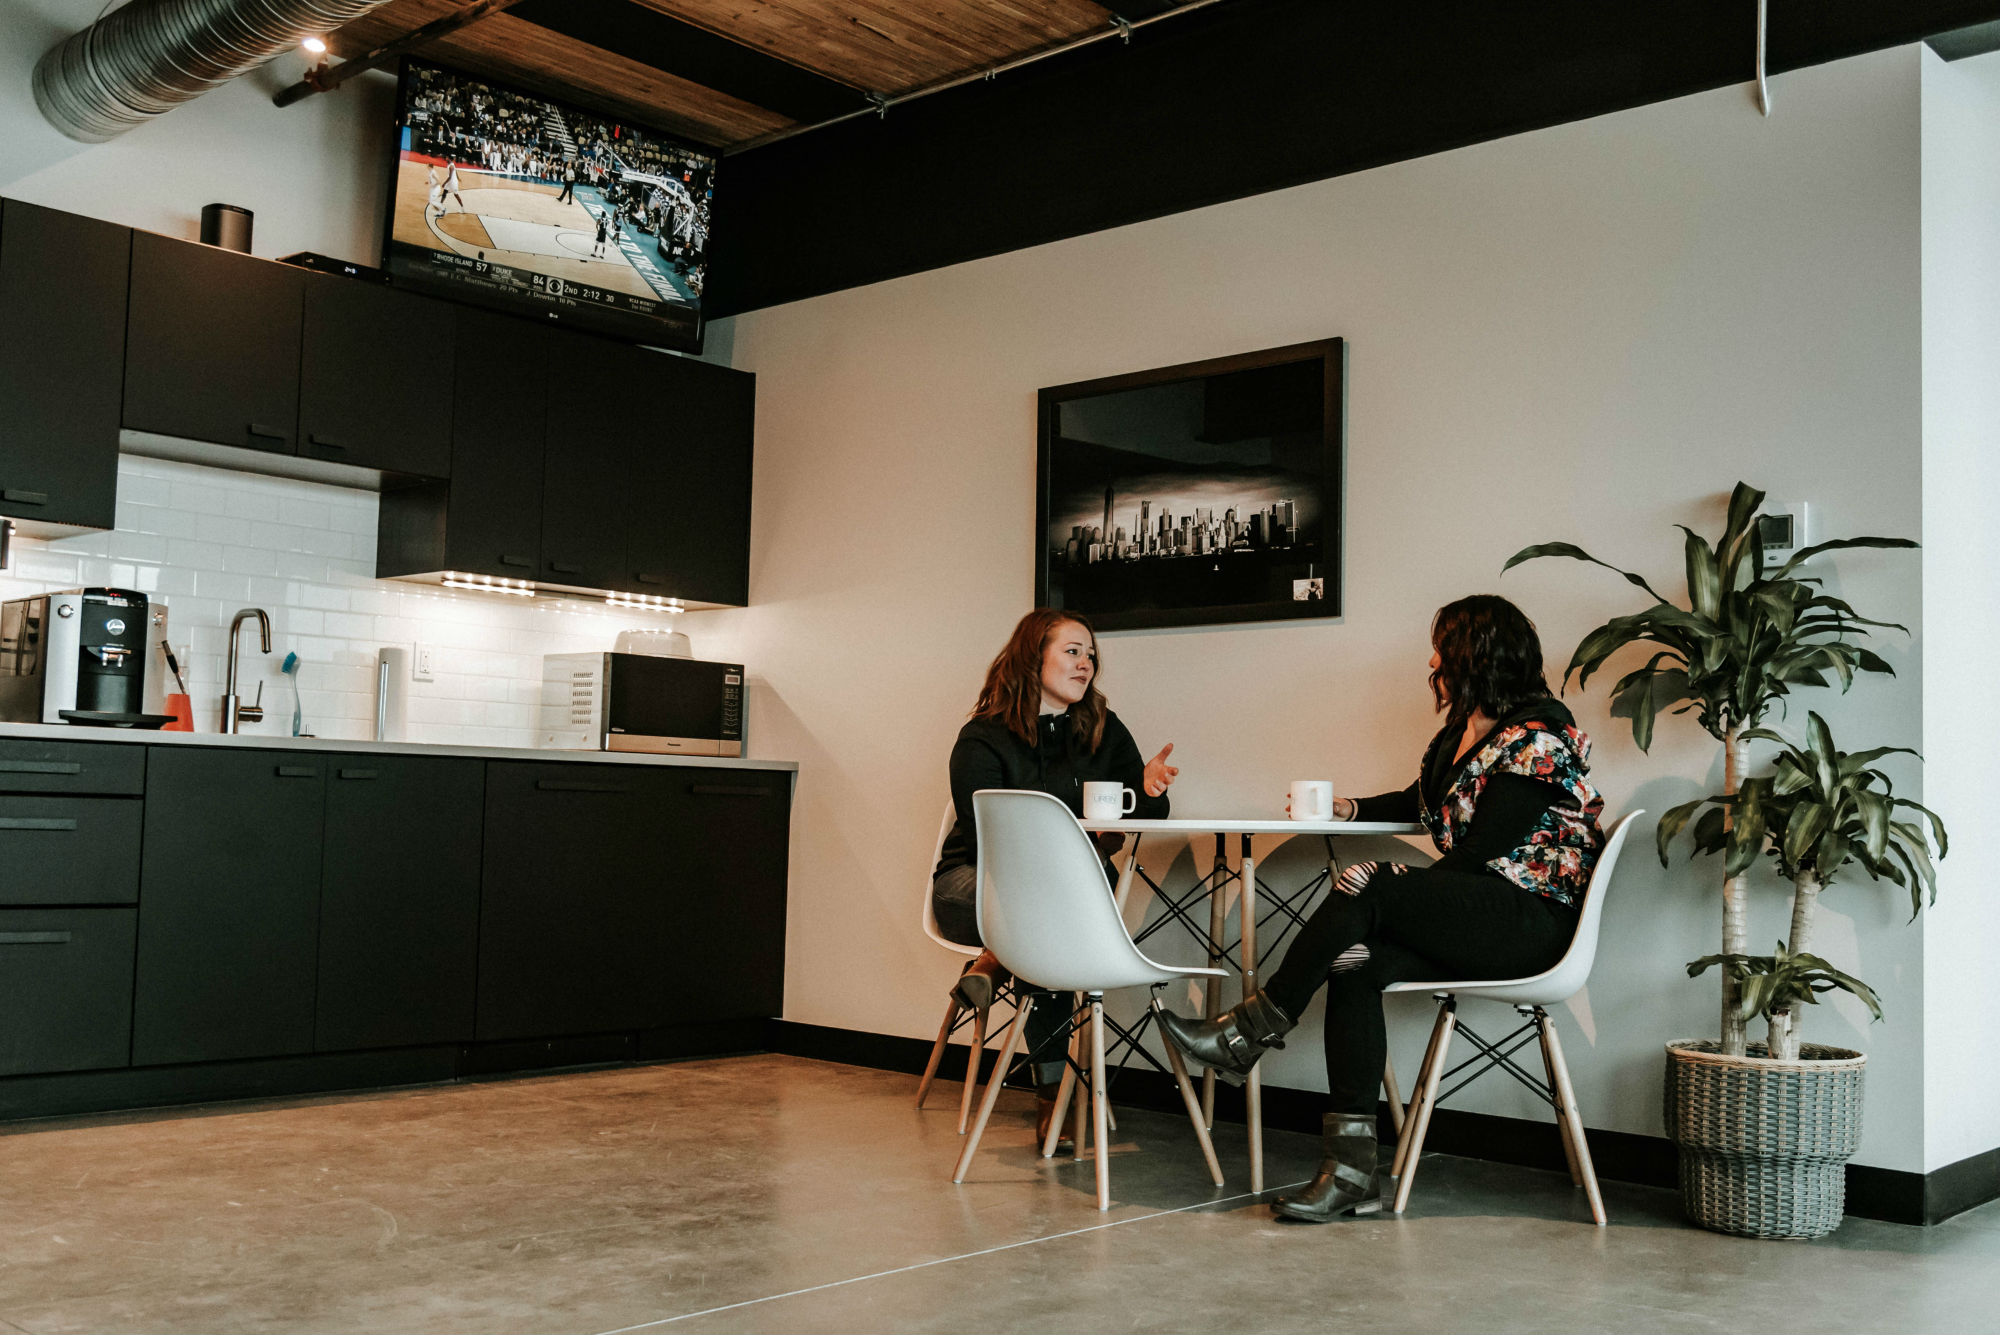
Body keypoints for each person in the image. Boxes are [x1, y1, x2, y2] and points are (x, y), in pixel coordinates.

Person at [1158, 594, 1604, 1222]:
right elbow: (1423, 803)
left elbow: (1476, 855)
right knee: (1354, 961)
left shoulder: (1540, 737)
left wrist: (1391, 900)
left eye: (1442, 648)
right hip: (1478, 913)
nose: (1432, 661)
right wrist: (1352, 810)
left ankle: (1248, 1032)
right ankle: (1349, 1175)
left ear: (1477, 654)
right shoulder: (1463, 732)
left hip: (1529, 921)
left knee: (1369, 883)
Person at [932, 608, 1180, 1147]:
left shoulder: (1102, 728)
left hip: (1056, 903)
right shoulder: (983, 738)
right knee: (1049, 921)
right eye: (1072, 651)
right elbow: (983, 842)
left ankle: (994, 963)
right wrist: (1064, 861)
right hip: (972, 885)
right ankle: (1052, 1098)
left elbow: (1139, 816)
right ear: (1032, 656)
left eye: (1090, 653)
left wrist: (1149, 789)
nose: (1086, 663)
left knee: (1045, 930)